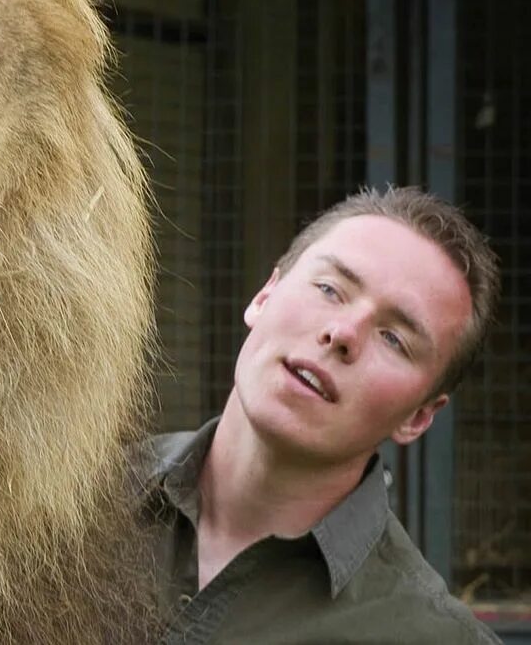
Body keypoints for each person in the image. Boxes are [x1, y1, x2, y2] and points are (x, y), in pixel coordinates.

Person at [139, 187, 502, 644]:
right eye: (330, 289)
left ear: (419, 416)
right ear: (265, 295)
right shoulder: (70, 501)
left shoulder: (433, 638)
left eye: (394, 339)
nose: (343, 333)